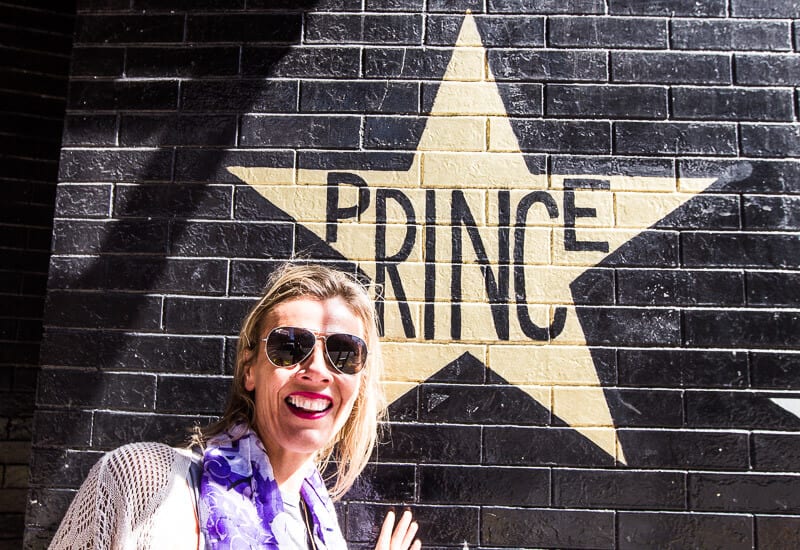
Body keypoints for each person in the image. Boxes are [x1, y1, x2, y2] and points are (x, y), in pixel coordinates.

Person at [49, 263, 422, 550]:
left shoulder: (326, 537)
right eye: (289, 346)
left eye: (344, 353)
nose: (318, 370)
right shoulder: (145, 481)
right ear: (249, 370)